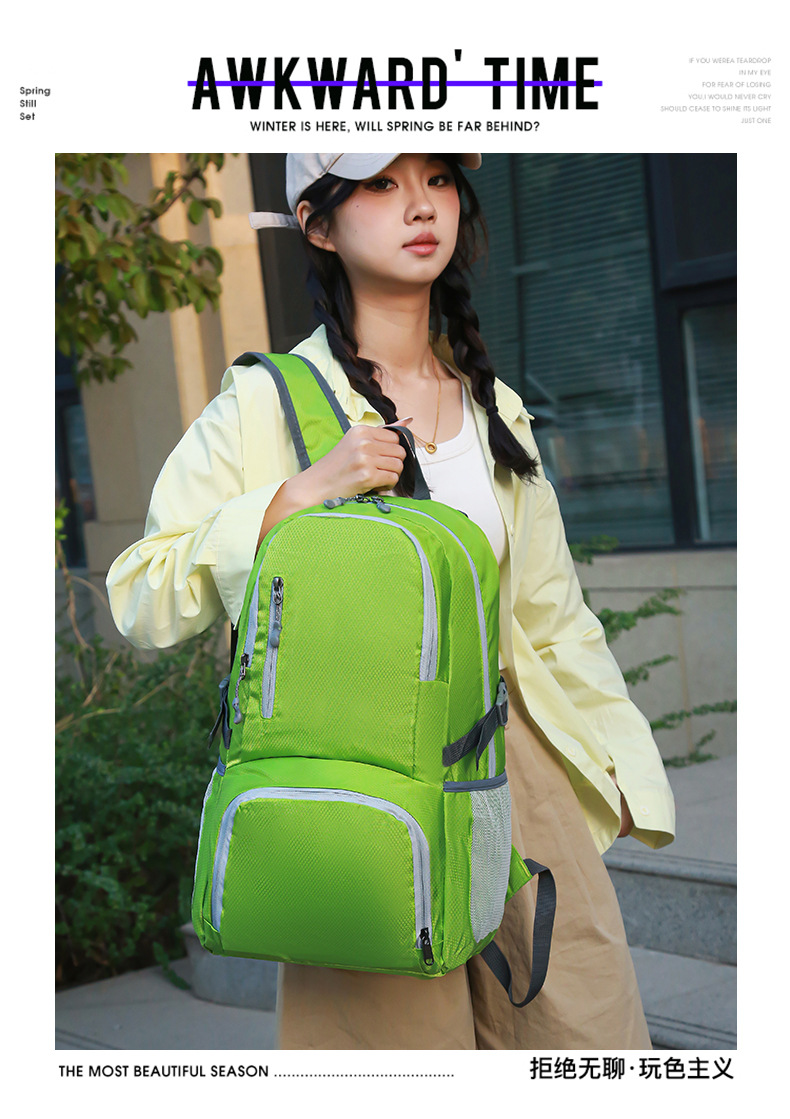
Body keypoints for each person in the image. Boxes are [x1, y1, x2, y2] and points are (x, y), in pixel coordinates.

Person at [106, 152, 676, 1051]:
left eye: (439, 179)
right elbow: (141, 593)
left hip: (518, 775)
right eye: (381, 183)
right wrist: (294, 497)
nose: (421, 205)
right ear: (317, 223)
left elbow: (552, 618)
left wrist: (618, 766)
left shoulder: (495, 407)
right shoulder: (264, 402)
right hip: (361, 793)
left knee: (585, 1034)